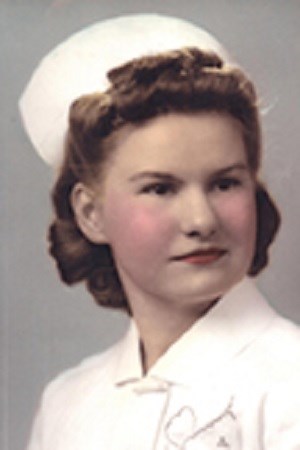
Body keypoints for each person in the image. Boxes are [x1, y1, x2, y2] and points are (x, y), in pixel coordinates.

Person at [19, 14, 300, 450]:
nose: (201, 220)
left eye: (225, 183)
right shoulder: (67, 403)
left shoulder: (289, 384)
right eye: (160, 188)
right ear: (91, 214)